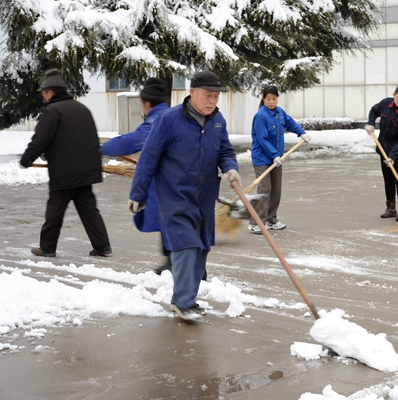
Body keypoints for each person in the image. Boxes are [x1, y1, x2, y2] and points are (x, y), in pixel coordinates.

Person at [128, 71, 240, 321]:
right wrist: (138, 192)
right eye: (207, 95)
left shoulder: (217, 120)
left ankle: (189, 299)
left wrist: (231, 167)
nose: (212, 101)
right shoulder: (169, 120)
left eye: (216, 96)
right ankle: (182, 302)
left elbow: (225, 150)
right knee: (185, 245)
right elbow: (149, 156)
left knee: (201, 248)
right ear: (192, 93)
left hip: (205, 196)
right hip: (175, 195)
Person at [20, 69, 112, 257]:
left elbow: (40, 140)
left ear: (50, 91)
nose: (43, 97)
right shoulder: (82, 109)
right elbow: (92, 140)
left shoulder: (52, 111)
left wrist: (27, 158)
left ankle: (47, 248)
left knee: (54, 212)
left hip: (64, 174)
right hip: (85, 173)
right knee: (89, 211)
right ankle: (102, 245)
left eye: (44, 93)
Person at [101, 78, 178, 276]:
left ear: (147, 104)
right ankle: (178, 262)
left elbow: (132, 141)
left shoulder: (158, 120)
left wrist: (103, 148)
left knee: (169, 219)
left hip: (171, 183)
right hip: (178, 179)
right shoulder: (172, 115)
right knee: (173, 219)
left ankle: (178, 264)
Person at [248, 86, 311, 233]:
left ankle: (271, 219)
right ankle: (255, 222)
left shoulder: (279, 112)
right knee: (265, 189)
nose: (271, 102)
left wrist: (301, 133)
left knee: (276, 189)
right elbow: (262, 139)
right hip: (262, 158)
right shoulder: (260, 116)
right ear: (263, 99)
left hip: (276, 157)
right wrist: (274, 155)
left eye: (274, 99)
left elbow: (290, 122)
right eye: (268, 99)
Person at [365, 84, 398, 221]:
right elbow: (374, 111)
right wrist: (371, 123)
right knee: (387, 179)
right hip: (384, 148)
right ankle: (390, 208)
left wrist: (393, 156)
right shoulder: (386, 103)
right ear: (394, 95)